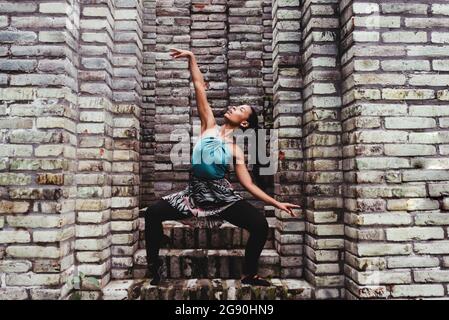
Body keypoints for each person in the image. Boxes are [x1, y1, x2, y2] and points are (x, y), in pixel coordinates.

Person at [144, 47, 300, 286]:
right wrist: (192, 58)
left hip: (222, 199)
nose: (233, 108)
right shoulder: (208, 125)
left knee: (259, 225)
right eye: (235, 106)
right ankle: (154, 269)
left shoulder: (235, 150)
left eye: (240, 110)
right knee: (153, 214)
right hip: (193, 197)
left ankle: (249, 274)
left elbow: (248, 185)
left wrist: (276, 203)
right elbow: (198, 86)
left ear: (244, 122)